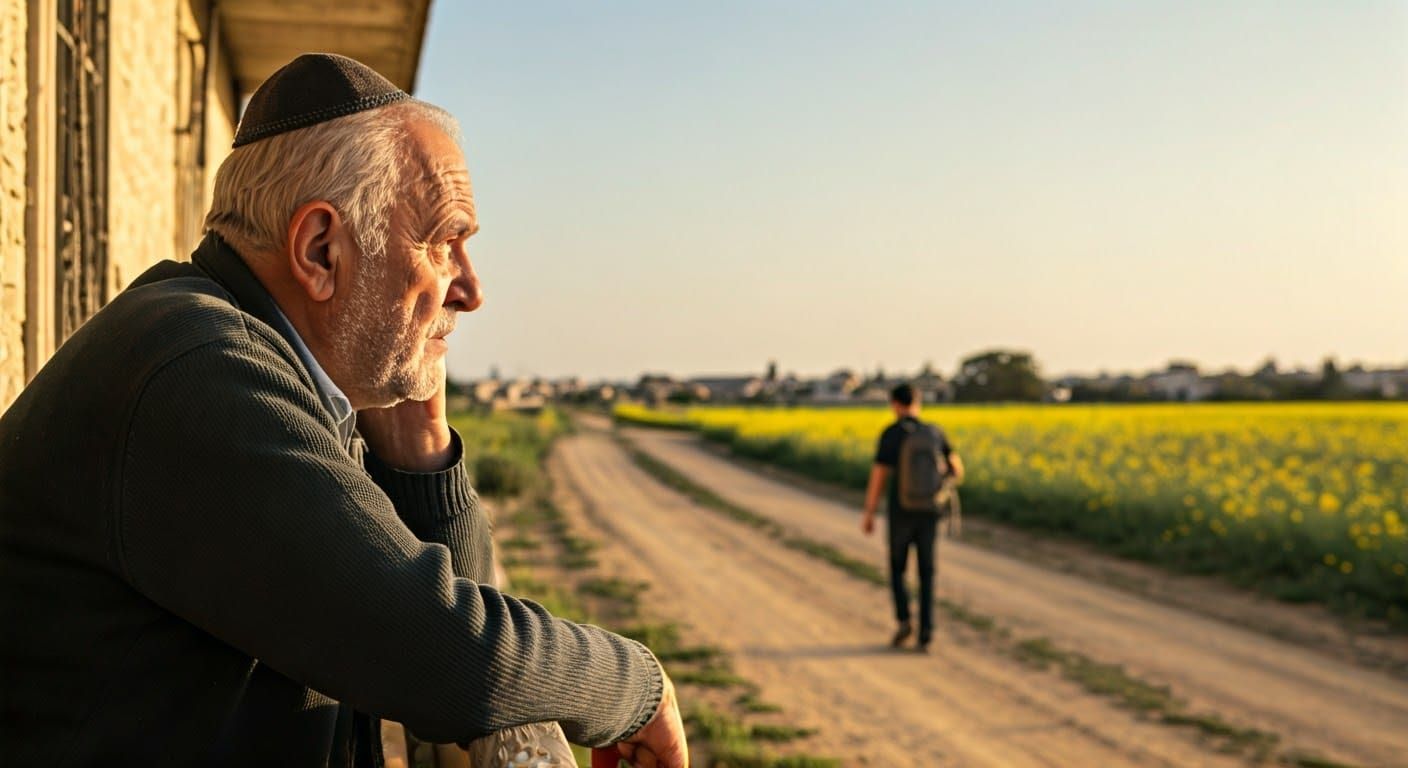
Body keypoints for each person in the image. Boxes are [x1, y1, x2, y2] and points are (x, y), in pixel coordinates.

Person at [0, 53, 687, 767]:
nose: (470, 289)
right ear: (321, 249)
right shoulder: (198, 372)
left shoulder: (274, 367)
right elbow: (448, 655)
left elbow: (451, 607)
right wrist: (641, 686)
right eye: (444, 243)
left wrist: (419, 441)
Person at [860, 383, 965, 653]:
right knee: (927, 572)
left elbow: (879, 477)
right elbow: (957, 469)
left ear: (894, 404)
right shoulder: (933, 433)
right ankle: (926, 633)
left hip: (901, 511)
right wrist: (939, 484)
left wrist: (870, 512)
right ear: (917, 402)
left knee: (898, 568)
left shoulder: (892, 435)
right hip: (930, 511)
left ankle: (905, 620)